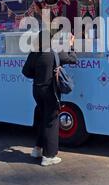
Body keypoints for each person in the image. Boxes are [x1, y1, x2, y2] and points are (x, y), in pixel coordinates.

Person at [22, 30, 77, 167]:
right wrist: (70, 45)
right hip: (50, 91)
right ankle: (49, 156)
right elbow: (73, 59)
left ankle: (37, 149)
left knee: (42, 118)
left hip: (37, 90)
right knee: (51, 122)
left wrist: (38, 75)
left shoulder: (34, 53)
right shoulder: (55, 52)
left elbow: (26, 72)